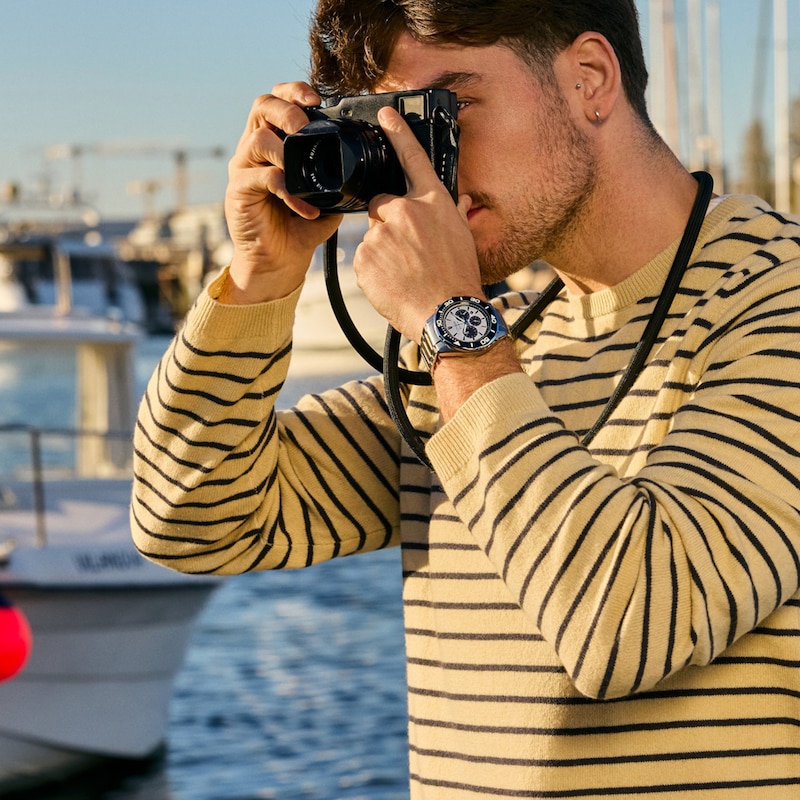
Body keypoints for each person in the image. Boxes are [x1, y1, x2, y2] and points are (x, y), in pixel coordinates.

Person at [131, 1, 800, 796]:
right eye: (394, 127)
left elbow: (629, 624)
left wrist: (454, 327)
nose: (425, 164)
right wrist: (260, 278)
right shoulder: (486, 352)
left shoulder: (769, 302)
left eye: (447, 110)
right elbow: (194, 519)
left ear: (590, 79)